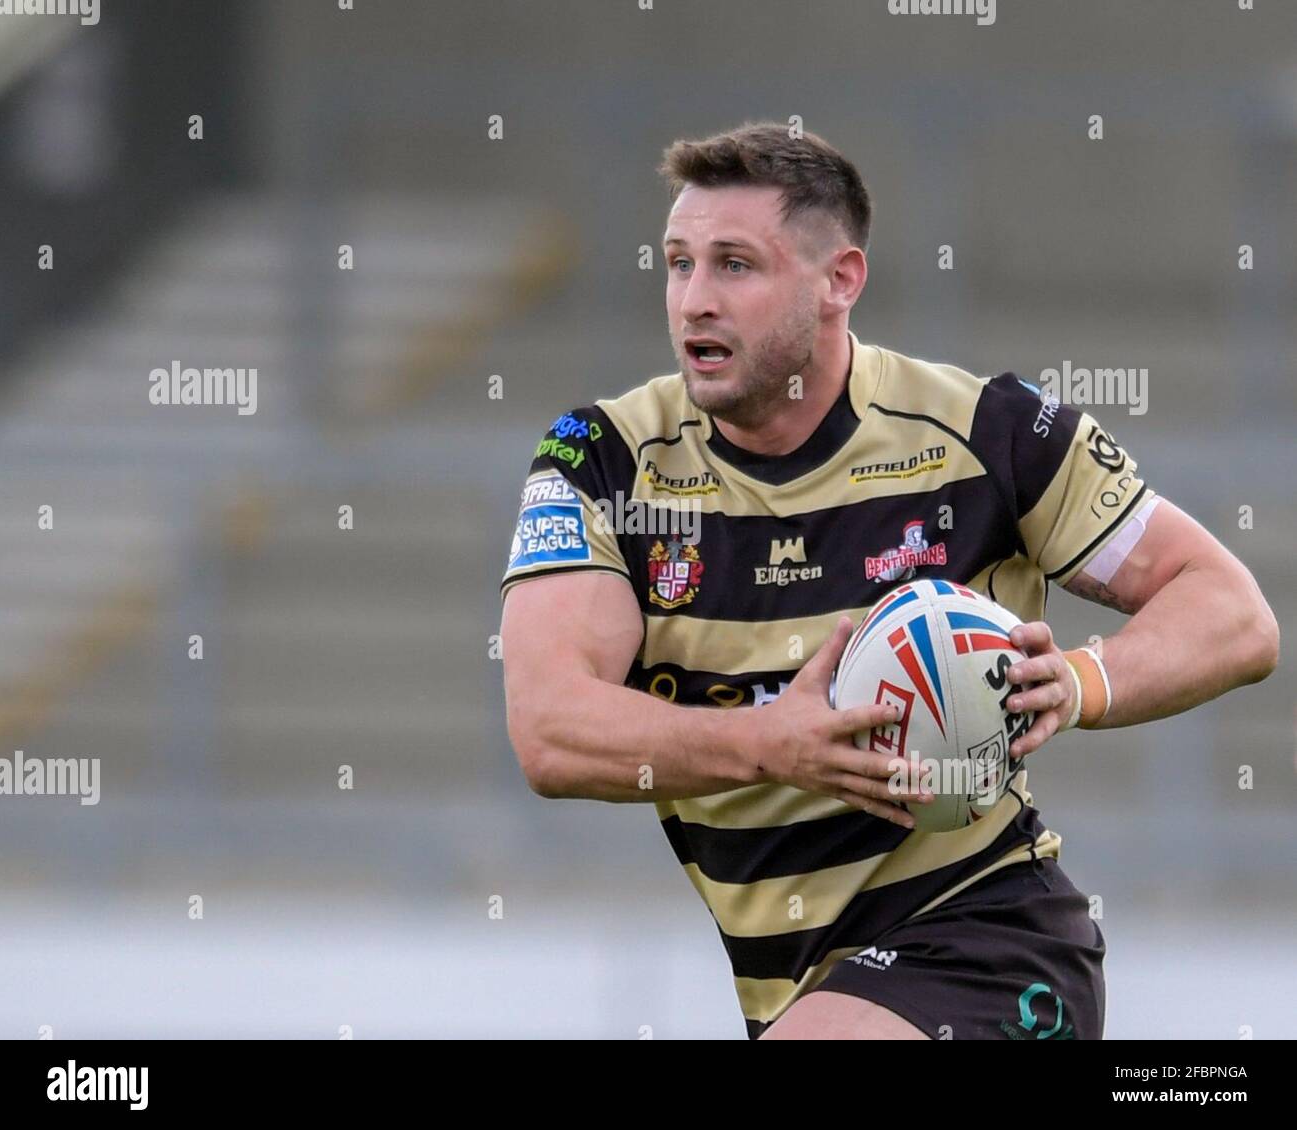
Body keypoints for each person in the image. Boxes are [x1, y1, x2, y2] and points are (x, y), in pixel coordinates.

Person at [498, 122, 1279, 1039]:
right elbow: (550, 728)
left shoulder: (993, 433)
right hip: (796, 984)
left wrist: (1080, 679)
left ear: (840, 282)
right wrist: (770, 742)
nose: (694, 301)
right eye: (679, 263)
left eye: (735, 266)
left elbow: (1232, 612)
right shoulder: (602, 462)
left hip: (992, 943)